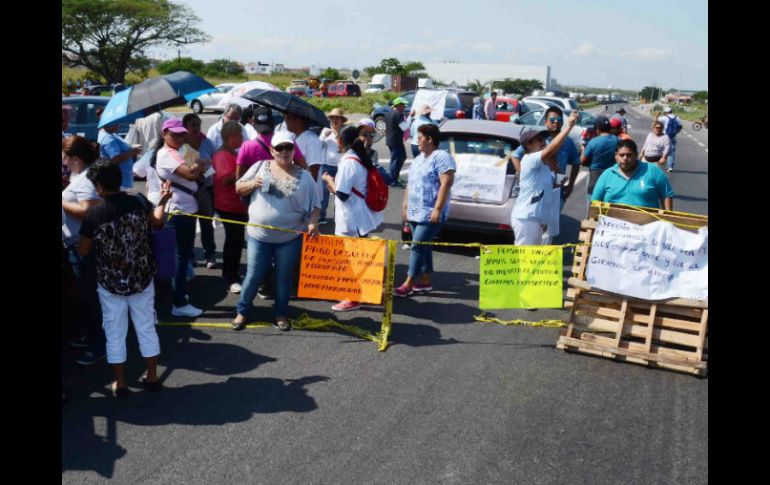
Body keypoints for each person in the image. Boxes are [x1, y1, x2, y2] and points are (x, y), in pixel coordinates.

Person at [78, 160, 172, 398]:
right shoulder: (138, 201)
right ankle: (152, 375)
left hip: (110, 281)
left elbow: (84, 250)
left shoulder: (94, 214)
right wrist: (163, 200)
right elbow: (158, 222)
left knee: (114, 332)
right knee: (146, 327)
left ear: (99, 185)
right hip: (141, 277)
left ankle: (120, 383)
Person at [232, 131, 321, 331]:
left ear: (293, 150)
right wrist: (252, 183)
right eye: (279, 148)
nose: (284, 151)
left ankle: (281, 313)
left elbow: (315, 206)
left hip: (289, 238)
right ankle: (242, 311)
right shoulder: (259, 167)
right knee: (254, 274)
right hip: (259, 236)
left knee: (284, 276)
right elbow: (238, 187)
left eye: (288, 147)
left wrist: (313, 223)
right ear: (271, 150)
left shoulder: (305, 177)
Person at [322, 125, 384, 311]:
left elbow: (342, 194)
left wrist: (328, 180)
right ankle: (370, 290)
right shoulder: (358, 158)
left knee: (352, 262)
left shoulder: (348, 161)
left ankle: (353, 298)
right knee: (360, 259)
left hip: (351, 219)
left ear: (341, 140)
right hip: (359, 216)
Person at [394, 124, 456, 297]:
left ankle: (409, 282)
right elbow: (410, 184)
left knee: (417, 246)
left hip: (430, 212)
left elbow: (446, 183)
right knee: (423, 245)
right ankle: (425, 281)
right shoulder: (419, 158)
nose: (417, 141)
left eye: (420, 137)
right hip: (415, 211)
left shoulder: (442, 157)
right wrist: (405, 206)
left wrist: (438, 208)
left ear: (429, 139)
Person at [155, 118, 206, 318]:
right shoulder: (167, 155)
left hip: (184, 210)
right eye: (174, 134)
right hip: (178, 212)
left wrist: (198, 165)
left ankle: (178, 296)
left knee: (182, 257)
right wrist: (200, 163)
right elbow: (191, 174)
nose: (179, 137)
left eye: (181, 134)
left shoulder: (177, 151)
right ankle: (179, 302)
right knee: (180, 258)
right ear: (164, 134)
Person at [62, 136, 106, 366]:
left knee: (92, 296)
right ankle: (93, 334)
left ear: (75, 159)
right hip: (77, 246)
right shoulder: (80, 176)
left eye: (65, 157)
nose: (63, 160)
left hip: (84, 247)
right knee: (86, 295)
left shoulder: (86, 178)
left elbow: (89, 212)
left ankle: (101, 343)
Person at [510, 111, 579, 246]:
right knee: (526, 261)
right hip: (526, 219)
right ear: (528, 145)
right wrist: (568, 127)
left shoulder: (545, 168)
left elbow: (548, 191)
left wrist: (544, 220)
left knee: (533, 261)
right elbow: (549, 151)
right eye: (539, 140)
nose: (544, 142)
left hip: (536, 220)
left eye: (544, 139)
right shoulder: (530, 159)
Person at [511, 105, 582, 205]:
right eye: (552, 119)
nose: (556, 122)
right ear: (545, 122)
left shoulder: (568, 142)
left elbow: (576, 163)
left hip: (556, 191)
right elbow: (515, 156)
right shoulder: (537, 139)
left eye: (559, 119)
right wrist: (524, 176)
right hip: (536, 191)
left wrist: (571, 185)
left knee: (552, 219)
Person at [212, 121, 247, 294]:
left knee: (236, 240)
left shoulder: (230, 152)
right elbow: (226, 179)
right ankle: (230, 276)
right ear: (232, 136)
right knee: (234, 241)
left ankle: (232, 273)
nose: (242, 137)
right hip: (228, 205)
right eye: (240, 134)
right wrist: (244, 169)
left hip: (235, 205)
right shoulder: (222, 155)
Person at [591, 139, 674, 210]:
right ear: (615, 156)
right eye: (621, 155)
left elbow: (666, 195)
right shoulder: (607, 175)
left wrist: (667, 220)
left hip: (647, 226)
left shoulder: (653, 171)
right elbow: (595, 202)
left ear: (636, 155)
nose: (625, 158)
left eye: (629, 155)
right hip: (613, 225)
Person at [183, 113, 217, 269]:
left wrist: (206, 169)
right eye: (192, 125)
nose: (196, 128)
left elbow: (215, 163)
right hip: (188, 189)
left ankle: (210, 254)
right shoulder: (181, 145)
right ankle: (189, 256)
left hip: (205, 187)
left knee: (206, 223)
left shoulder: (207, 142)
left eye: (198, 124)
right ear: (185, 127)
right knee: (189, 224)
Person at [235, 106, 306, 180]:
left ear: (254, 124)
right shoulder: (287, 141)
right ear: (272, 123)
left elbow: (239, 178)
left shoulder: (246, 146)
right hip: (285, 187)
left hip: (258, 188)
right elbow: (303, 166)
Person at [580, 115, 619, 206]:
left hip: (595, 178)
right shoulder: (618, 140)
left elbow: (582, 161)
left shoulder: (593, 142)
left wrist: (583, 150)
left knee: (593, 211)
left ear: (597, 129)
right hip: (612, 178)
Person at [318, 108, 347, 225]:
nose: (335, 120)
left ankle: (338, 216)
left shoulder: (345, 132)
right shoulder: (325, 131)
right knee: (324, 193)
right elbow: (317, 145)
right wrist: (323, 137)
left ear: (341, 120)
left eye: (337, 118)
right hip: (327, 166)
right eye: (332, 118)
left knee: (339, 193)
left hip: (341, 167)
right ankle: (321, 216)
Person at [285, 112, 324, 191]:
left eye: (288, 117)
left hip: (307, 194)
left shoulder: (311, 140)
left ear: (298, 120)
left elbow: (314, 170)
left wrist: (307, 192)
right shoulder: (292, 137)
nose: (285, 120)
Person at [98, 119, 141, 192]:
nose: (118, 125)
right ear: (109, 124)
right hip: (118, 180)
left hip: (121, 179)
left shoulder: (111, 134)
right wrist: (132, 152)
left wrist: (132, 148)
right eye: (116, 123)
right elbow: (115, 159)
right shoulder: (108, 139)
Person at [356, 117, 394, 185]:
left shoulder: (373, 153)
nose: (368, 137)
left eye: (372, 134)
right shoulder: (352, 152)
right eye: (365, 134)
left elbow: (388, 179)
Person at [385, 97, 412, 187]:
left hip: (392, 140)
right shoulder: (398, 114)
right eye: (402, 105)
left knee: (401, 158)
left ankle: (394, 177)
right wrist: (410, 117)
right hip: (395, 141)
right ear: (398, 105)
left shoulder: (389, 113)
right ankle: (393, 180)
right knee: (396, 161)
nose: (404, 107)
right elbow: (404, 127)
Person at [657, 106, 682, 172]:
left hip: (665, 136)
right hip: (673, 136)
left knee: (661, 150)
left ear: (665, 112)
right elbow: (680, 126)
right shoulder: (677, 118)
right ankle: (670, 167)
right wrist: (676, 133)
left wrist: (657, 115)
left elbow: (656, 121)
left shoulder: (664, 117)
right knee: (672, 152)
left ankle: (660, 163)